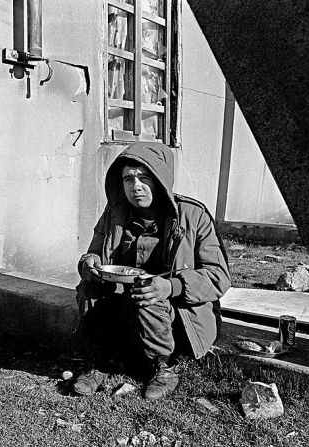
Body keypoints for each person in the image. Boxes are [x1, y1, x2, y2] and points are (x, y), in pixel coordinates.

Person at [74, 141, 231, 400]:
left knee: (146, 294)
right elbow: (95, 254)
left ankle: (165, 367)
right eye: (128, 179)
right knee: (90, 287)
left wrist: (171, 286)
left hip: (178, 314)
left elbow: (219, 276)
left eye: (144, 177)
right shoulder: (114, 215)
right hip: (125, 307)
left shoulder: (193, 215)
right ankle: (102, 361)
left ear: (160, 178)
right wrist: (89, 264)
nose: (136, 186)